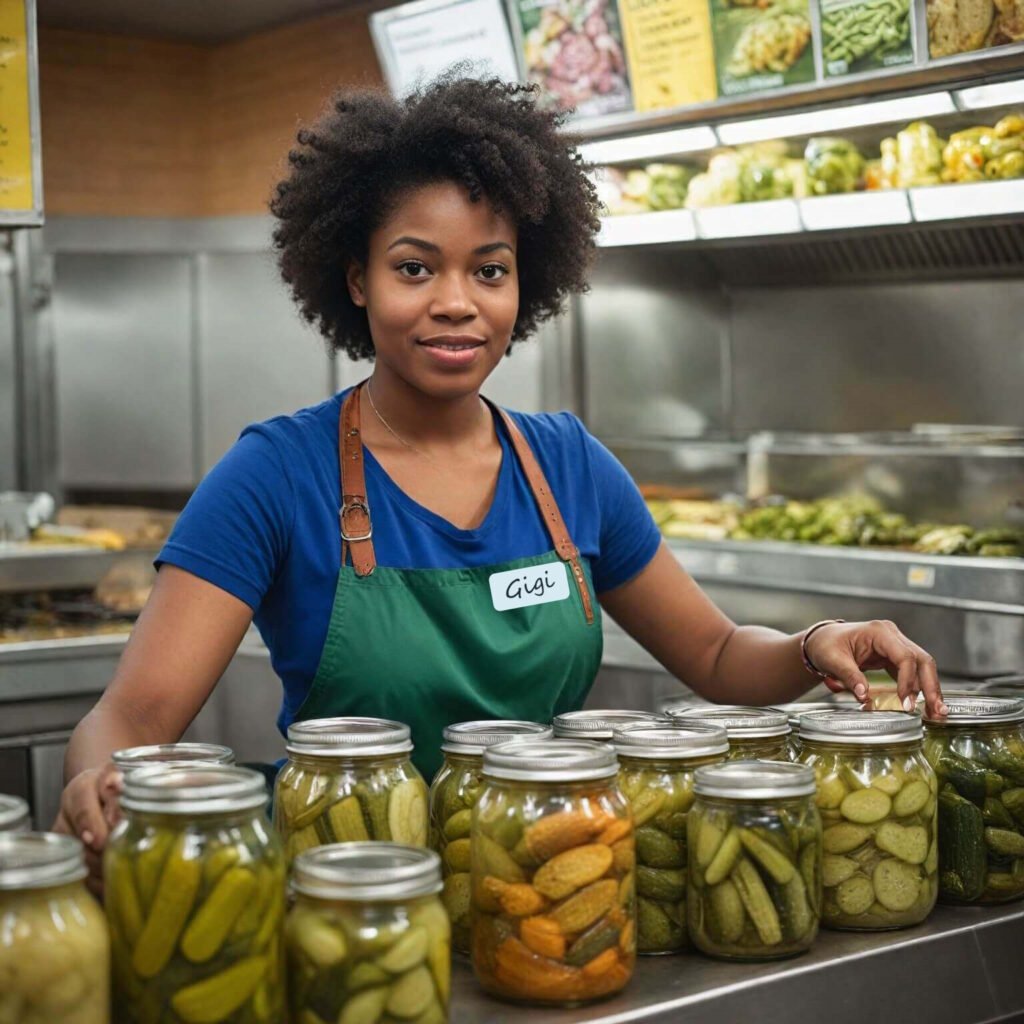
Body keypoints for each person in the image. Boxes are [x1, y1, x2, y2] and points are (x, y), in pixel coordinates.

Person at [55, 75, 945, 886]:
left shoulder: (570, 466)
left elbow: (714, 656)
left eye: (490, 270)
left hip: (553, 883)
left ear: (527, 283)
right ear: (355, 278)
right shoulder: (275, 474)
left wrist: (815, 642)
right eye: (414, 267)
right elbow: (133, 717)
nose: (456, 301)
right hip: (352, 900)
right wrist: (99, 780)